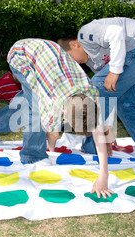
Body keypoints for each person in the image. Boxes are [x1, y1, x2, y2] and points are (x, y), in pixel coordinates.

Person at [57, 17, 135, 162]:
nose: (74, 63)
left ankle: (94, 147)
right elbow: (109, 96)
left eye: (70, 57)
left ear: (74, 44)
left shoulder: (84, 34)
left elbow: (116, 32)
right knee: (125, 105)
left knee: (92, 92)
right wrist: (108, 130)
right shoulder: (93, 62)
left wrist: (114, 71)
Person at [7, 38, 114, 199]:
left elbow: (98, 130)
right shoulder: (54, 103)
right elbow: (53, 132)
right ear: (64, 113)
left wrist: (103, 177)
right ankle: (31, 156)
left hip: (48, 53)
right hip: (20, 54)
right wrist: (52, 151)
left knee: (29, 102)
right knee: (35, 110)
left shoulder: (91, 92)